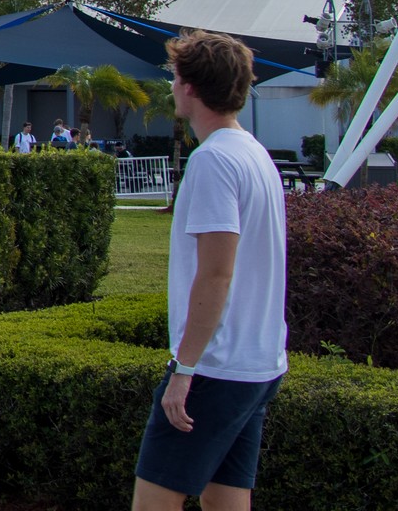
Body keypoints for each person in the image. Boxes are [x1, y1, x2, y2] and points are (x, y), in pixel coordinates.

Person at [133, 32, 286, 511]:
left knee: (154, 501)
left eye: (175, 78)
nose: (172, 87)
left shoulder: (214, 160)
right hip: (257, 364)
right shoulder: (254, 153)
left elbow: (216, 274)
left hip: (215, 368)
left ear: (192, 87)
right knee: (226, 500)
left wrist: (185, 368)